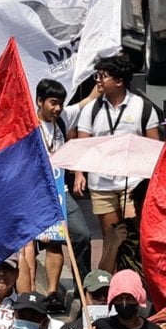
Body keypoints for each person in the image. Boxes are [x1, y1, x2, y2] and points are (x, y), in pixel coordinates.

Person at [66, 54, 160, 270]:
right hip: (102, 184)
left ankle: (138, 281)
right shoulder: (92, 109)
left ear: (119, 81)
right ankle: (111, 287)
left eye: (102, 76)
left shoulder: (142, 107)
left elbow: (154, 148)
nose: (98, 80)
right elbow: (83, 145)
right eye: (97, 75)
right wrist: (80, 174)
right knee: (112, 239)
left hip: (134, 183)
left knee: (134, 236)